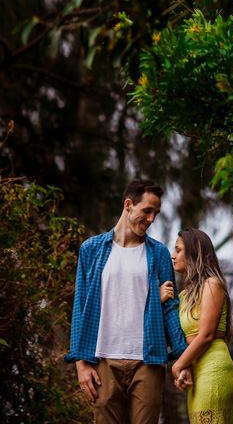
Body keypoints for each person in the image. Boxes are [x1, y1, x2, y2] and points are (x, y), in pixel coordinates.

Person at [66, 178, 190, 424]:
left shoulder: (159, 254)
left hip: (149, 361)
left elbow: (169, 309)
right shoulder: (91, 249)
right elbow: (79, 306)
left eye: (156, 213)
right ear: (128, 205)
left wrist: (181, 358)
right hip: (101, 360)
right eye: (147, 211)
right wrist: (80, 362)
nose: (151, 219)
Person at [166, 227, 233, 424]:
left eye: (178, 250)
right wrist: (158, 297)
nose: (173, 256)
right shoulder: (184, 296)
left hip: (214, 369)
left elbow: (206, 335)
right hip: (197, 372)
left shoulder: (213, 284)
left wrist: (178, 365)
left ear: (193, 252)